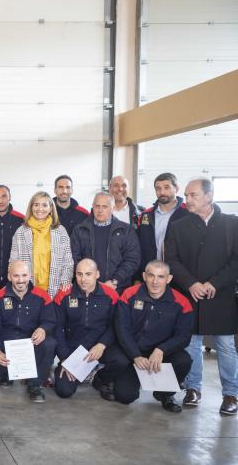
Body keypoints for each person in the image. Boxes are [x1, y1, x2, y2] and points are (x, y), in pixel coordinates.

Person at [165, 178, 238, 416]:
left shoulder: (231, 224)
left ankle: (231, 393)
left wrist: (214, 283)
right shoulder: (178, 226)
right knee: (192, 344)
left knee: (226, 346)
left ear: (209, 195)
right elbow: (172, 261)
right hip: (190, 295)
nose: (187, 200)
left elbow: (236, 261)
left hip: (222, 295)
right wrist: (192, 284)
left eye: (193, 195)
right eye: (186, 195)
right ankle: (193, 389)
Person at [112, 261, 193, 413]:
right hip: (134, 354)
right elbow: (122, 329)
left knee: (184, 360)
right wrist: (135, 355)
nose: (155, 281)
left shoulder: (182, 303)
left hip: (162, 354)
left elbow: (184, 336)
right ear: (144, 276)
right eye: (151, 276)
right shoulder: (129, 294)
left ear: (168, 279)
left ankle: (165, 394)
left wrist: (162, 350)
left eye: (161, 277)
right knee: (124, 396)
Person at [0, 260, 57, 403]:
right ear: (9, 276)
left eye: (24, 275)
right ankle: (8, 375)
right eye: (16, 276)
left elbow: (50, 320)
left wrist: (43, 329)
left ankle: (35, 385)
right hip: (6, 345)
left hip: (30, 344)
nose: (20, 280)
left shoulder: (42, 296)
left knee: (50, 343)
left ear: (29, 275)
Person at [53, 259, 121, 400]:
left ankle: (99, 378)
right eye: (79, 274)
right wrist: (66, 359)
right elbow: (57, 328)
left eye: (88, 274)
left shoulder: (111, 295)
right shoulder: (63, 295)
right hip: (74, 350)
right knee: (64, 391)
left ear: (97, 274)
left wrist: (102, 344)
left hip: (100, 347)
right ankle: (82, 372)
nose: (83, 279)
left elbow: (115, 325)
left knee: (121, 360)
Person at [70, 192, 140, 293]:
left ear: (112, 207)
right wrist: (86, 279)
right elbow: (73, 257)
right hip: (85, 289)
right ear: (92, 206)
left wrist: (115, 281)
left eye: (105, 206)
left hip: (117, 289)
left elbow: (132, 260)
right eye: (97, 206)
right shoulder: (79, 230)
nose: (100, 210)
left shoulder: (126, 230)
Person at [10, 191, 73, 298]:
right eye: (36, 205)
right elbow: (13, 259)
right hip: (27, 288)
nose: (40, 209)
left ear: (50, 209)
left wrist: (65, 280)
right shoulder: (21, 231)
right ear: (31, 207)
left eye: (44, 205)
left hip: (55, 288)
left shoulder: (60, 231)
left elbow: (68, 260)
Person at [136, 172, 190, 274]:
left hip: (179, 274)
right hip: (151, 274)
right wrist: (138, 276)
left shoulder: (188, 213)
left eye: (166, 187)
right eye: (158, 188)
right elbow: (139, 248)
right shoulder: (145, 215)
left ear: (176, 189)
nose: (162, 192)